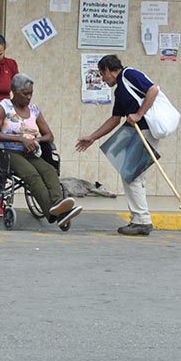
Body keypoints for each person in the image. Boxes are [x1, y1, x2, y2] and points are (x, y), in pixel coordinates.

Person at [73, 55, 157, 236]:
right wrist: (93, 137)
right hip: (137, 132)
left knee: (132, 175)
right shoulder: (120, 90)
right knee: (134, 175)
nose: (103, 80)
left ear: (108, 70)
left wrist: (139, 114)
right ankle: (140, 218)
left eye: (103, 75)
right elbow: (114, 119)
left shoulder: (129, 74)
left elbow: (153, 90)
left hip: (145, 130)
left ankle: (141, 220)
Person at [0, 73, 82, 228]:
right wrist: (20, 139)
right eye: (25, 94)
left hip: (31, 152)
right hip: (9, 151)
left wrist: (35, 140)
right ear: (15, 92)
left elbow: (49, 135)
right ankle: (53, 214)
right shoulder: (4, 107)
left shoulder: (34, 110)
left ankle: (59, 204)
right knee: (32, 175)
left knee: (49, 170)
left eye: (31, 93)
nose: (29, 97)